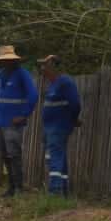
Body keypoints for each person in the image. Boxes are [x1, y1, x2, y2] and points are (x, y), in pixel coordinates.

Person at [0, 45, 38, 198]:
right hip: (0, 122)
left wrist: (24, 114)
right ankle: (11, 187)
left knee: (14, 154)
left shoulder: (22, 74)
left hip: (13, 122)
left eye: (9, 60)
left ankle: (19, 188)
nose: (6, 62)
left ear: (14, 60)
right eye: (4, 60)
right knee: (4, 154)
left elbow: (33, 95)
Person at [38, 55, 82, 196]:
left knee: (54, 157)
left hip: (59, 127)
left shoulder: (65, 82)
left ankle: (55, 192)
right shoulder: (53, 84)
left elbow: (75, 104)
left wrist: (72, 119)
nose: (42, 68)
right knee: (57, 157)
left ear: (54, 66)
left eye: (45, 65)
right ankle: (63, 190)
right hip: (50, 127)